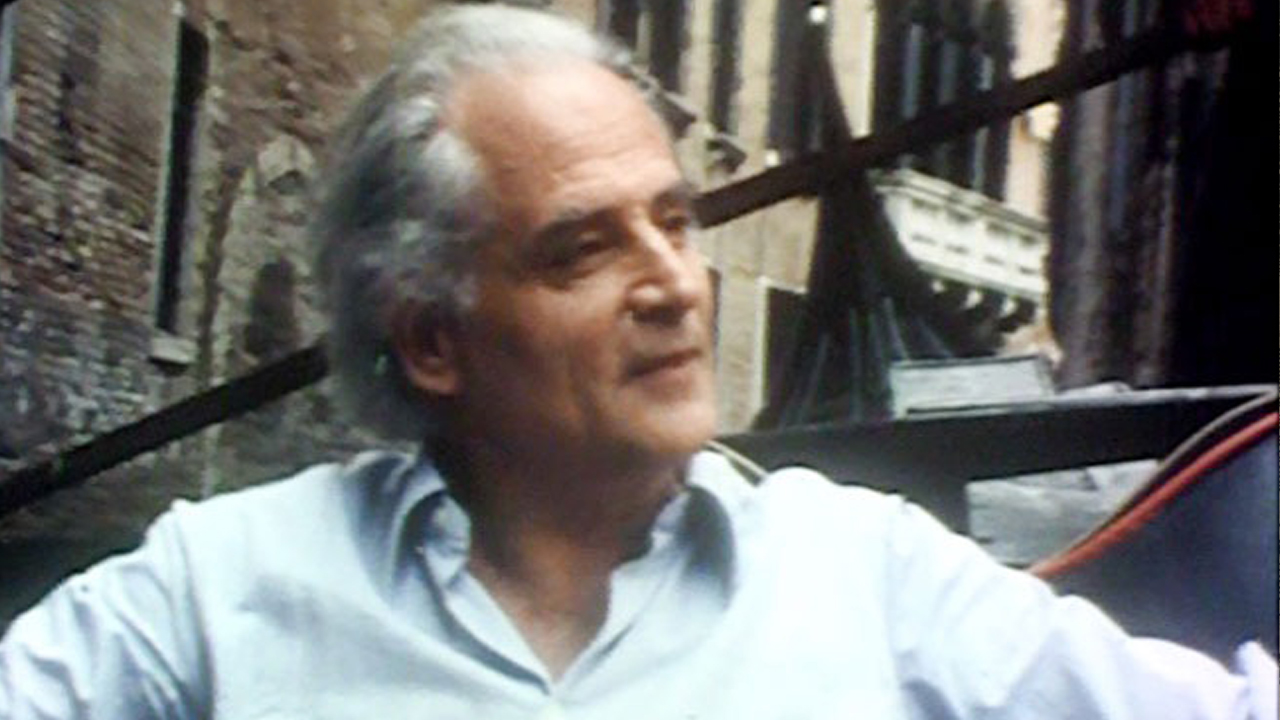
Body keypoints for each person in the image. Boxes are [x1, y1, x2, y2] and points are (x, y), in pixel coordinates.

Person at [0, 4, 1274, 718]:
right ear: (431, 340)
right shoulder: (216, 589)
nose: (673, 282)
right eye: (581, 250)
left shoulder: (873, 577)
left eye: (674, 221)